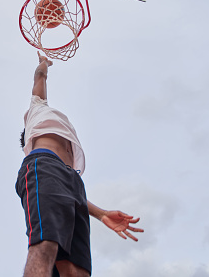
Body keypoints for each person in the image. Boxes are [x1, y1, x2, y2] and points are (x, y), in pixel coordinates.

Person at [15, 52, 144, 277]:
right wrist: (44, 63)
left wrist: (102, 214)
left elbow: (69, 194)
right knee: (45, 245)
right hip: (44, 166)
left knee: (76, 272)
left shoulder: (67, 143)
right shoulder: (37, 108)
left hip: (72, 180)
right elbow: (40, 77)